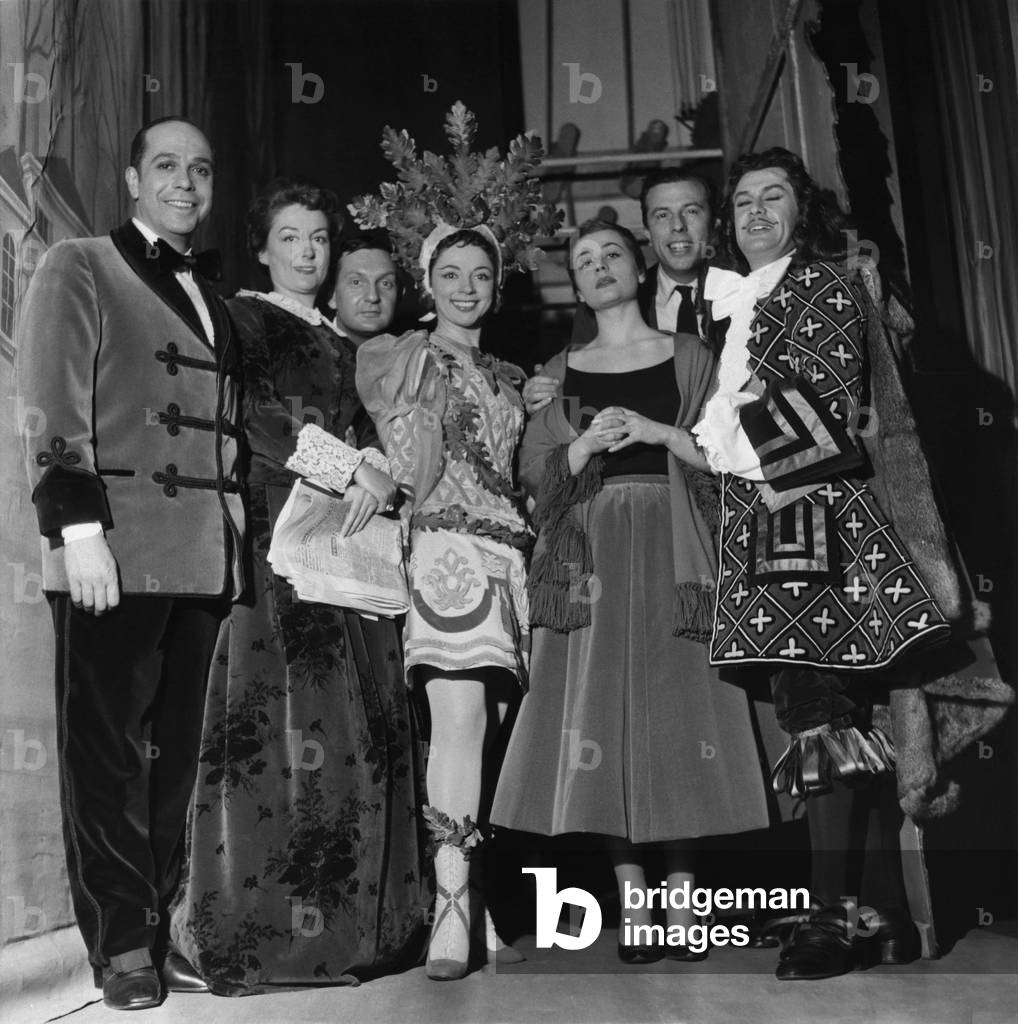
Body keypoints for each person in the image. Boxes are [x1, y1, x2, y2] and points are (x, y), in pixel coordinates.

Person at [693, 146, 1000, 979]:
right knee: (840, 715)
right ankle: (883, 913)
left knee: (817, 709)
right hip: (775, 521)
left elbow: (819, 413)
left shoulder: (820, 284)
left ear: (804, 210)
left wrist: (708, 440)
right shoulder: (736, 305)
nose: (756, 213)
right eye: (744, 202)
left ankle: (830, 918)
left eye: (774, 198)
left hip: (812, 514)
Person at [169, 179, 429, 994]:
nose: (309, 251)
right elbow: (247, 416)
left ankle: (360, 927)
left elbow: (374, 435)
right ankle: (260, 932)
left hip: (348, 540)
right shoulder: (242, 318)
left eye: (319, 237)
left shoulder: (349, 341)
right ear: (263, 248)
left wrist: (380, 468)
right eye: (291, 237)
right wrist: (351, 466)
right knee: (275, 714)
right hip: (278, 528)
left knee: (357, 717)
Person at [491, 220, 771, 962]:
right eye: (584, 261)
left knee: (677, 715)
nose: (600, 266)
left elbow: (733, 452)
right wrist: (580, 445)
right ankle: (634, 901)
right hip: (590, 561)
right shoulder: (557, 369)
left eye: (612, 252)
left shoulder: (691, 357)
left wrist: (656, 430)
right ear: (575, 285)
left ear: (639, 267)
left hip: (677, 545)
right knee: (602, 719)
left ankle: (683, 903)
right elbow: (532, 483)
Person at [16, 116, 245, 1010]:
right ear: (131, 177)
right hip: (110, 551)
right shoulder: (79, 263)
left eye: (200, 167)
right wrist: (76, 530)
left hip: (198, 561)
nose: (185, 182)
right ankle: (119, 950)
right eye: (166, 166)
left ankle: (157, 930)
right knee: (105, 757)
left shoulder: (212, 298)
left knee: (175, 760)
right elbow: (49, 398)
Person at [357, 223, 533, 980]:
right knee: (459, 719)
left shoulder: (511, 375)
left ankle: (471, 886)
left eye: (481, 274)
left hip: (510, 556)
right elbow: (397, 450)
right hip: (444, 546)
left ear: (498, 282)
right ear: (429, 282)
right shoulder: (406, 355)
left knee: (487, 730)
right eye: (451, 273)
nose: (466, 287)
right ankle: (451, 909)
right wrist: (367, 468)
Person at [524, 168, 715, 415]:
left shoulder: (744, 288)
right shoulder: (610, 302)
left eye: (691, 211)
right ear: (646, 232)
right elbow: (584, 399)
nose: (677, 226)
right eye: (662, 215)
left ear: (714, 223)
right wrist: (544, 401)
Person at [331, 235, 401, 348]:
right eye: (356, 282)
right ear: (332, 295)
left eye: (385, 283)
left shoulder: (413, 357)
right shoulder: (306, 350)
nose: (373, 297)